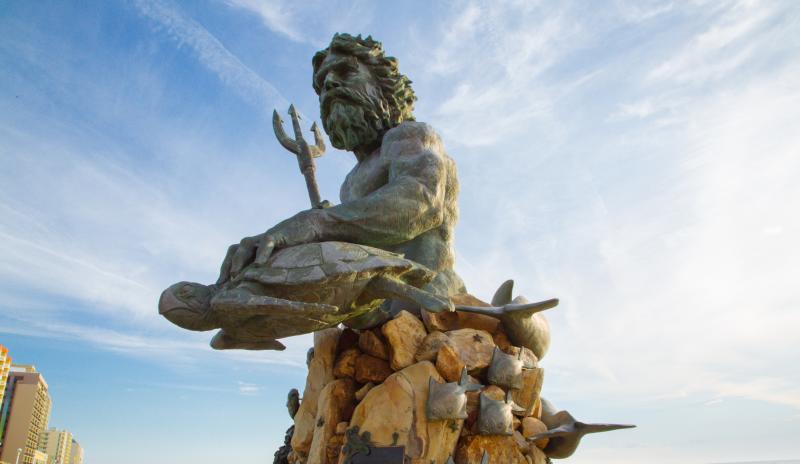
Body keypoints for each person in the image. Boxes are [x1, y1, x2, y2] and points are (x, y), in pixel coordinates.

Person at [216, 33, 464, 324]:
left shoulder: (411, 135)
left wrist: (315, 223)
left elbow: (419, 203)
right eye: (321, 85)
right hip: (377, 309)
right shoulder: (351, 180)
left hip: (429, 303)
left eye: (346, 71)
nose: (329, 85)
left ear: (384, 86)